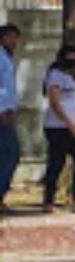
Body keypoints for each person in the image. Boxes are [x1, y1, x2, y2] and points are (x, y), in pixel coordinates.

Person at [40, 41, 75, 214]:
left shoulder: (68, 77)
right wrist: (70, 126)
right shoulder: (55, 75)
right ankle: (48, 201)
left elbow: (73, 104)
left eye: (74, 57)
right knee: (56, 163)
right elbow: (55, 102)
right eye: (68, 57)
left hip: (69, 126)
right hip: (58, 127)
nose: (72, 60)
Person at [0, 23, 20, 212]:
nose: (13, 41)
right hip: (1, 116)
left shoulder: (7, 58)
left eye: (15, 38)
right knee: (11, 154)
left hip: (7, 114)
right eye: (9, 37)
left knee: (8, 155)